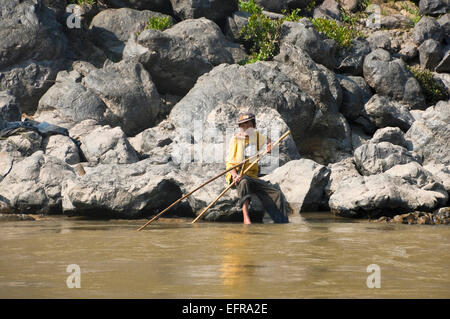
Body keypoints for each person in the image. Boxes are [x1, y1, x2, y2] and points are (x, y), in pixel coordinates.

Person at [225, 112, 290, 224]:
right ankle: (246, 219)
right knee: (244, 181)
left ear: (253, 125)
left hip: (252, 177)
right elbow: (230, 163)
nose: (245, 127)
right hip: (238, 175)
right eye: (242, 125)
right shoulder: (235, 140)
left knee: (276, 193)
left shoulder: (256, 136)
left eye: (247, 124)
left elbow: (270, 143)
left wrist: (270, 147)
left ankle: (281, 222)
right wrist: (234, 175)